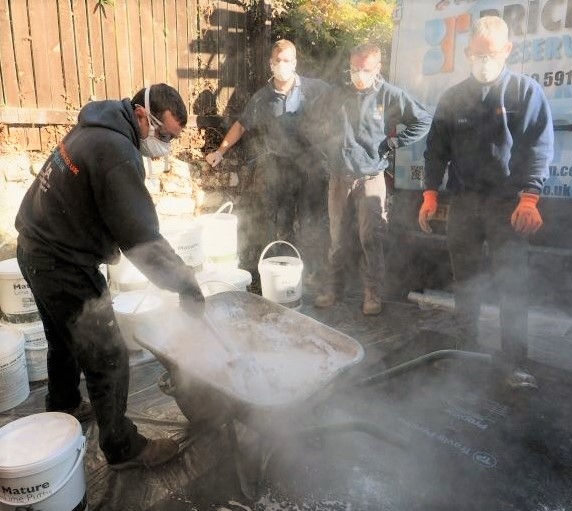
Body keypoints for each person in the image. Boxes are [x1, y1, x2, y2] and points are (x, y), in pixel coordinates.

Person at [15, 83, 205, 470]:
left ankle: (64, 404)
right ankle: (122, 447)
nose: (165, 144)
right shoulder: (117, 152)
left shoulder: (95, 126)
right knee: (110, 356)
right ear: (141, 115)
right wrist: (184, 282)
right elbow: (141, 239)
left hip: (32, 246)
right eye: (164, 134)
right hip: (61, 262)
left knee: (63, 337)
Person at [418, 16, 554, 389]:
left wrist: (529, 198)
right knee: (466, 283)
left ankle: (514, 363)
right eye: (477, 54)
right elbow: (435, 151)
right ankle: (466, 351)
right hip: (464, 202)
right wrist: (430, 193)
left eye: (491, 54)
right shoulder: (453, 97)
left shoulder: (525, 93)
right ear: (467, 53)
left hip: (508, 205)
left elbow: (539, 149)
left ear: (507, 51)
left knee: (513, 284)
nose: (483, 61)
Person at [314, 43, 432, 315]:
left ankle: (372, 294)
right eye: (354, 68)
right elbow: (313, 119)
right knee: (337, 238)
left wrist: (395, 142)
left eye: (365, 70)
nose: (359, 74)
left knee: (371, 238)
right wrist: (326, 147)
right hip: (339, 175)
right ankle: (333, 288)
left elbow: (423, 120)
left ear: (378, 68)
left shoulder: (389, 95)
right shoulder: (336, 93)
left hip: (371, 176)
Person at [205, 39, 330, 268]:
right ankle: (284, 270)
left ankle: (314, 273)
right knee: (282, 222)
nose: (282, 64)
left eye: (287, 60)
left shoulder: (316, 89)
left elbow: (339, 106)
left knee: (311, 222)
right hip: (279, 168)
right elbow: (241, 125)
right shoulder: (262, 97)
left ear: (295, 63)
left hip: (310, 167)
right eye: (278, 60)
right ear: (271, 63)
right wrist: (220, 152)